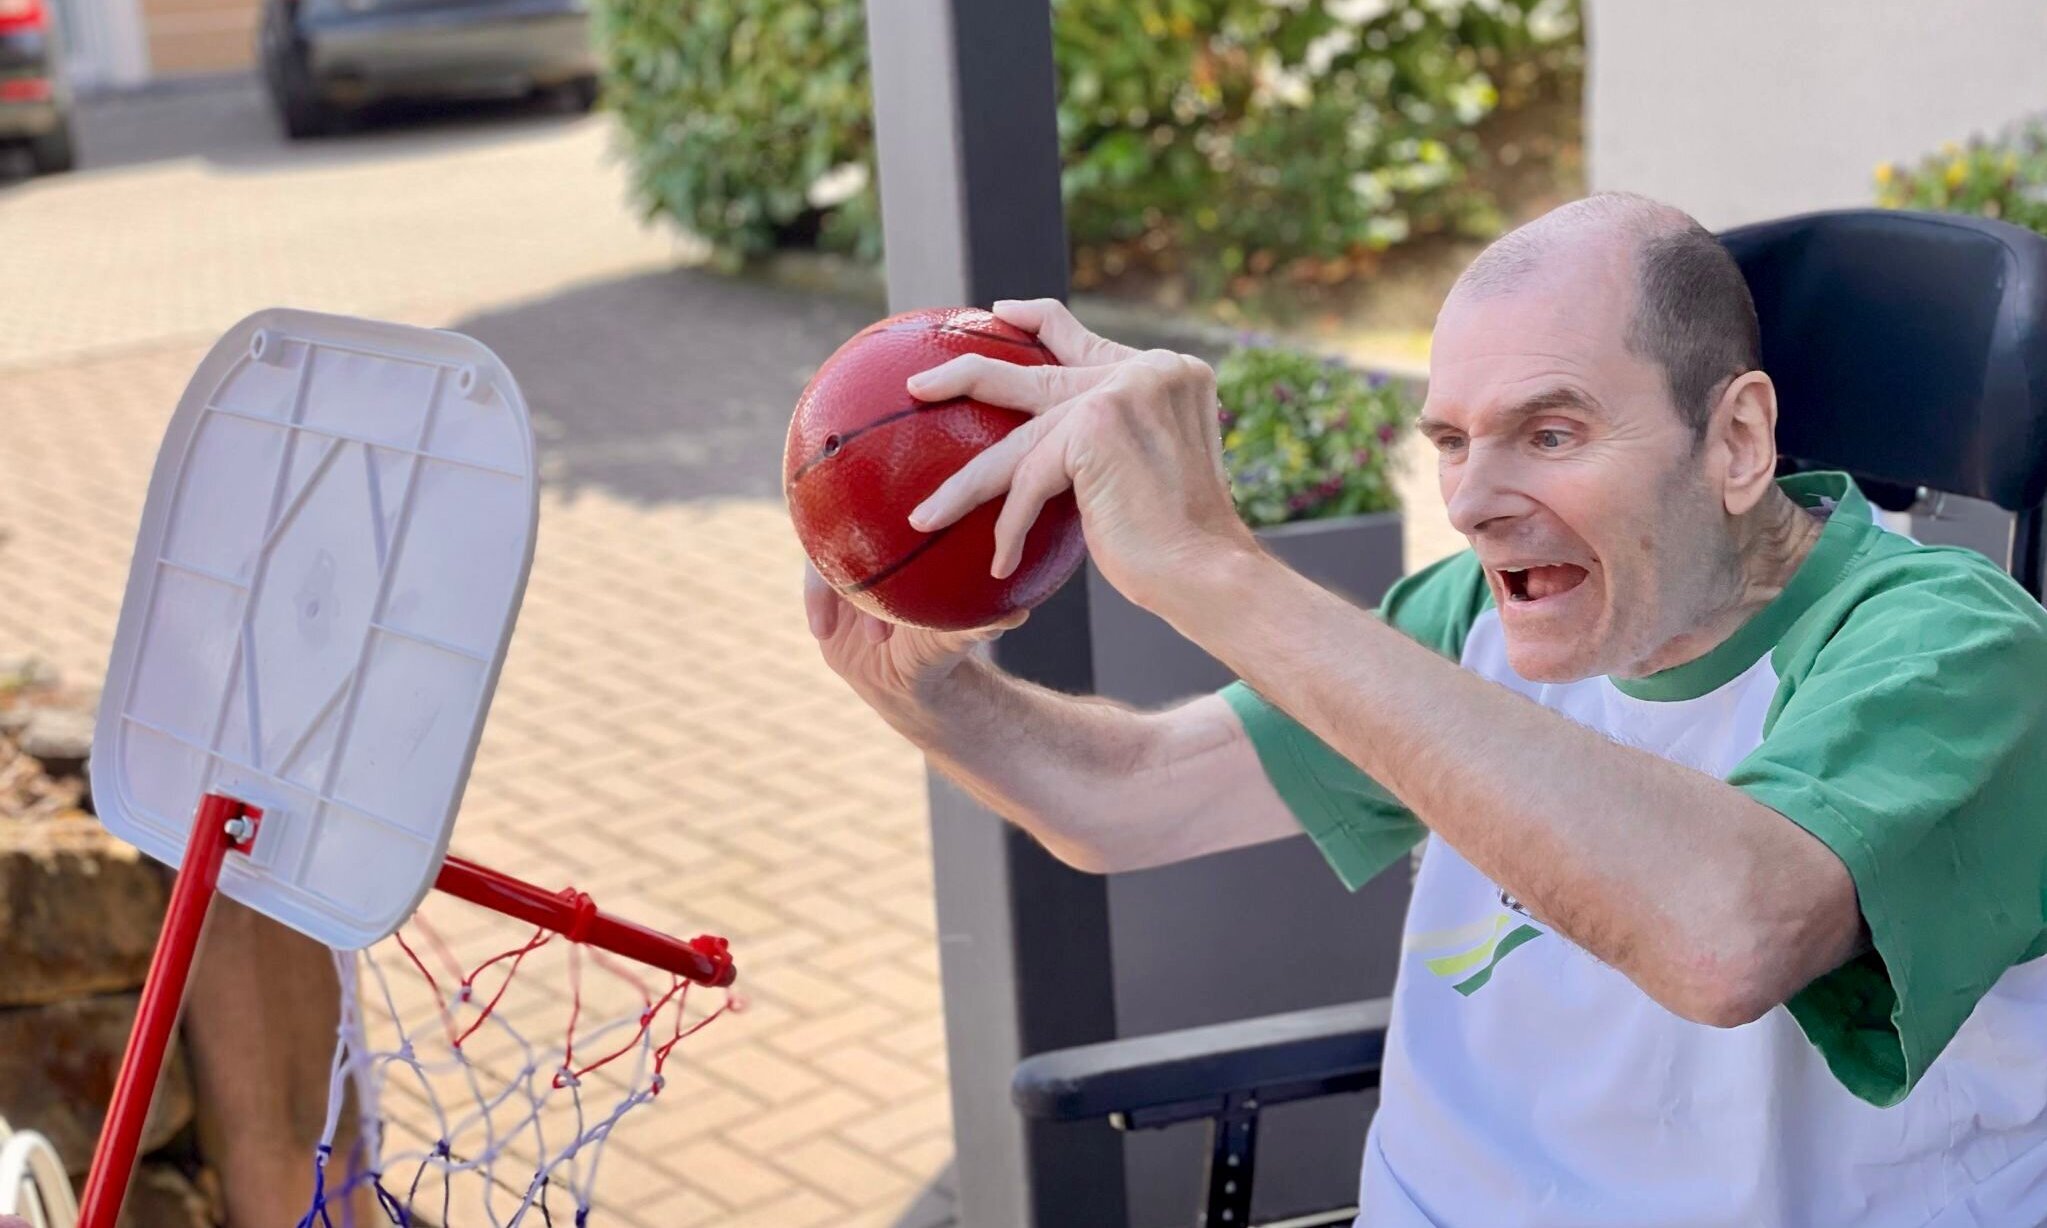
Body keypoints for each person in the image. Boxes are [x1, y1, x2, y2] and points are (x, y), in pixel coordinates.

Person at [803, 191, 2047, 1226]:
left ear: (1734, 441)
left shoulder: (1948, 649)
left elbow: (1725, 938)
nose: (1472, 501)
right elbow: (1130, 801)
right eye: (1451, 440)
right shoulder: (1467, 613)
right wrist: (932, 694)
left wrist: (1213, 568)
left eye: (1548, 432)